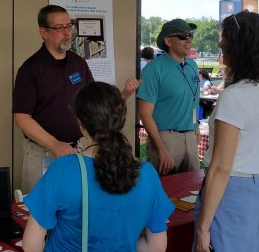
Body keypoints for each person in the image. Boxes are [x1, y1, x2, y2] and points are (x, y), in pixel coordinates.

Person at [22, 81, 175, 252]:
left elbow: (31, 246)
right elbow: (156, 246)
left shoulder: (63, 170)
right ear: (121, 120)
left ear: (81, 124)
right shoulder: (147, 174)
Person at [12, 5, 138, 193]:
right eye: (59, 27)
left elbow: (95, 103)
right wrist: (54, 144)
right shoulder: (31, 70)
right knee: (40, 208)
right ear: (44, 32)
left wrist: (125, 94)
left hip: (77, 149)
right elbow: (22, 118)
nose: (66, 32)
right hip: (43, 153)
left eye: (69, 26)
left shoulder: (78, 62)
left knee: (74, 203)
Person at [194, 11, 259, 252]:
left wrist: (203, 228)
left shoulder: (235, 96)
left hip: (231, 194)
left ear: (238, 47)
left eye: (224, 44)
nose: (221, 50)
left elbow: (222, 168)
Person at [138, 18, 200, 175]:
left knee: (192, 190)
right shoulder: (154, 69)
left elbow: (193, 99)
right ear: (168, 41)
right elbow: (145, 114)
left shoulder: (192, 66)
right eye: (183, 36)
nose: (189, 40)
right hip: (166, 138)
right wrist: (162, 148)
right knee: (166, 191)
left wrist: (195, 124)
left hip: (190, 136)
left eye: (190, 36)